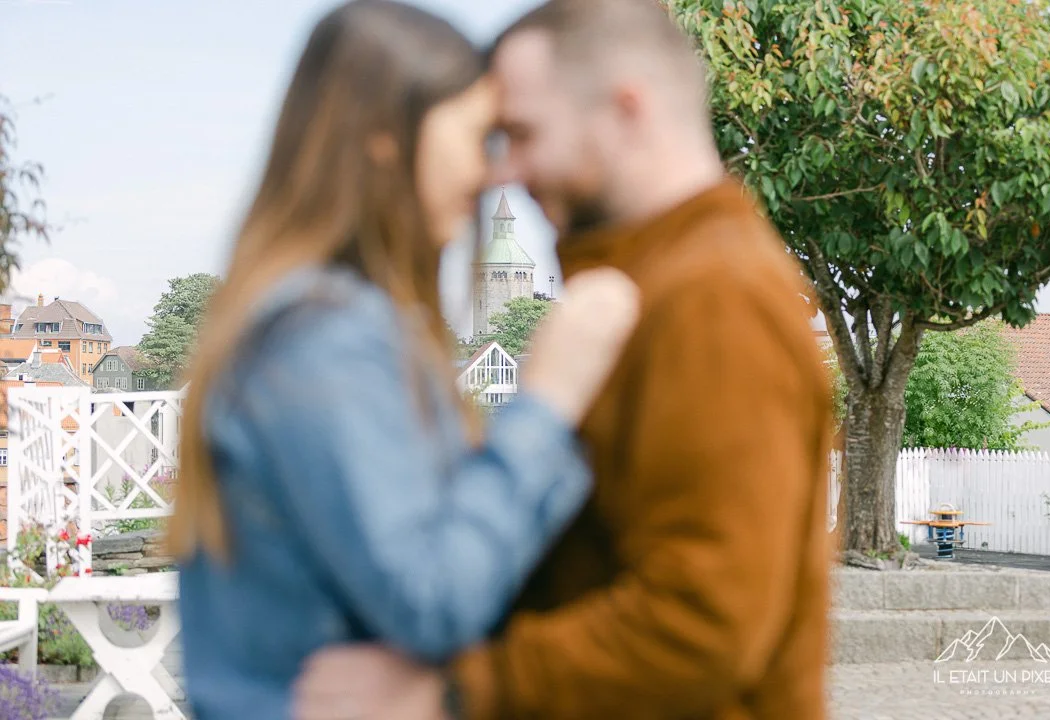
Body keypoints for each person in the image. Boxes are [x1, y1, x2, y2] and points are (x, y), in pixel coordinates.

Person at [293, 1, 834, 719]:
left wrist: (455, 689)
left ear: (625, 109)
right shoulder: (653, 280)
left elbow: (704, 622)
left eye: (520, 134)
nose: (501, 173)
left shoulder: (715, 295)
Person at [167, 2, 640, 718]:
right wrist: (548, 400)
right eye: (478, 138)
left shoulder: (301, 321)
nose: (492, 176)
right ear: (385, 136)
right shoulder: (324, 337)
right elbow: (433, 598)